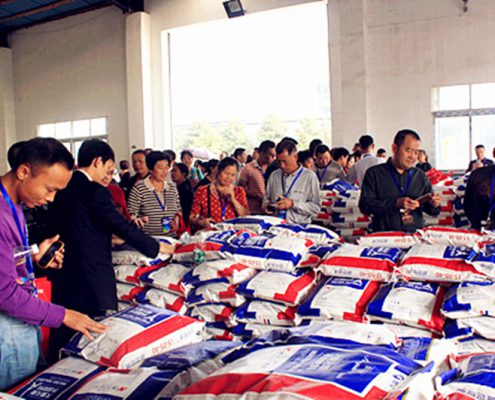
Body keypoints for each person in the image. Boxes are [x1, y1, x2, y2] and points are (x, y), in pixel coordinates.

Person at [50, 140, 174, 359]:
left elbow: (81, 225)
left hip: (64, 271)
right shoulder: (94, 190)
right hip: (92, 273)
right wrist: (157, 247)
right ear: (97, 161)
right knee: (93, 334)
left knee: (66, 329)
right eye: (108, 168)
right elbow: (121, 225)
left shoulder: (62, 187)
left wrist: (105, 237)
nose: (108, 175)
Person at [0, 138, 106, 390]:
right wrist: (64, 315)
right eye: (49, 189)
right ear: (23, 172)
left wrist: (34, 256)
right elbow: (4, 292)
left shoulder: (14, 203)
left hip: (24, 318)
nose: (51, 198)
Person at [359, 129, 441, 233]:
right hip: (385, 237)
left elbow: (433, 211)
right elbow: (365, 206)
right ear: (394, 148)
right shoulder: (374, 174)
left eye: (416, 152)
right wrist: (395, 203)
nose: (412, 156)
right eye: (408, 150)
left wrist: (434, 204)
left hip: (414, 236)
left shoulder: (420, 175)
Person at [264, 140, 320, 224]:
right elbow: (266, 199)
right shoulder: (274, 175)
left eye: (285, 161)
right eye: (279, 161)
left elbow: (315, 209)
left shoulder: (309, 177)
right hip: (276, 225)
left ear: (295, 157)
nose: (282, 165)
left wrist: (293, 204)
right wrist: (267, 206)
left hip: (299, 227)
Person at [128, 151, 181, 236]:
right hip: (148, 239)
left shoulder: (172, 188)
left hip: (170, 238)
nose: (164, 171)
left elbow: (178, 209)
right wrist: (138, 220)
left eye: (166, 167)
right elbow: (130, 214)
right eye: (160, 168)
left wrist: (177, 220)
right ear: (151, 168)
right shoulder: (139, 188)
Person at [190, 157, 249, 230]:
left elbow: (245, 216)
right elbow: (192, 217)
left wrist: (233, 200)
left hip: (233, 233)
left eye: (233, 175)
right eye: (226, 173)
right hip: (210, 233)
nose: (229, 177)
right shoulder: (203, 191)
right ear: (218, 171)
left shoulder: (239, 191)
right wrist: (201, 222)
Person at [238, 140, 276, 215]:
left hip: (270, 211)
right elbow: (239, 189)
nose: (273, 158)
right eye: (270, 155)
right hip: (253, 211)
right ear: (261, 153)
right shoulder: (247, 168)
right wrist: (253, 193)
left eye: (274, 156)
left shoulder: (274, 170)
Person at [464, 165, 495, 230]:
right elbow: (468, 204)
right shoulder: (477, 175)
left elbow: (467, 205)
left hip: (479, 226)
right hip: (481, 225)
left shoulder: (476, 174)